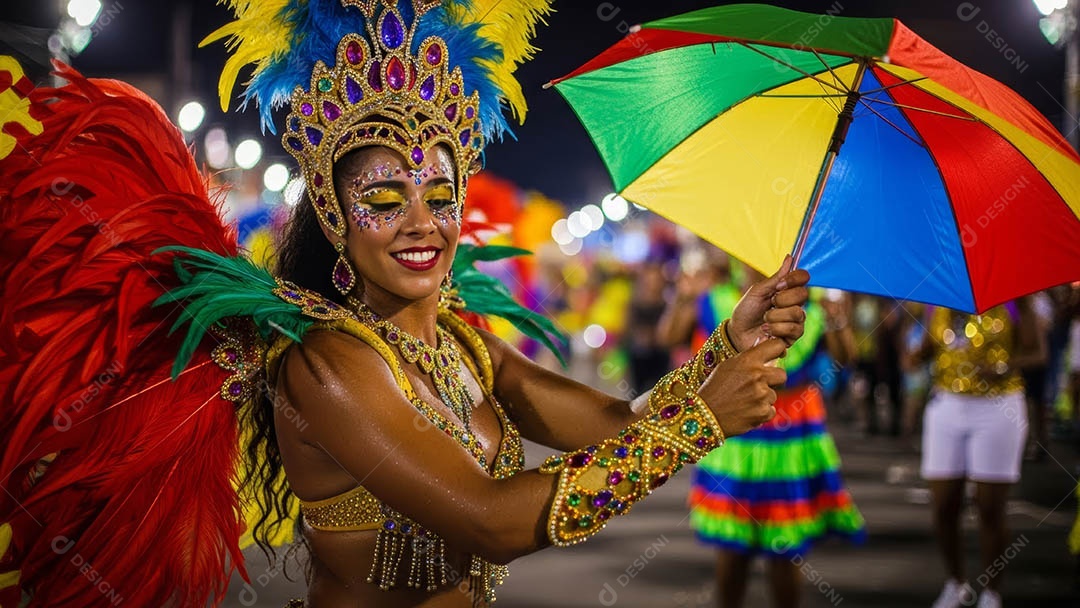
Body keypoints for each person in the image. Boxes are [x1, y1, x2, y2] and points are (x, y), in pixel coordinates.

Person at [0, 2, 813, 607]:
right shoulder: (328, 367)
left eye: (440, 195)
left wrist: (725, 355)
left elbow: (612, 426)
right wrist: (701, 419)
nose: (421, 223)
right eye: (384, 198)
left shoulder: (464, 345)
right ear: (332, 214)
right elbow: (490, 521)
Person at [664, 259, 865, 608]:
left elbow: (846, 357)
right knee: (732, 556)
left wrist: (838, 317)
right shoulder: (717, 299)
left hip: (792, 442)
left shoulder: (811, 304)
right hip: (737, 435)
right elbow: (668, 337)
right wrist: (683, 297)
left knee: (785, 555)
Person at [913, 303, 1041, 608]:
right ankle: (955, 584)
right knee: (944, 506)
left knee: (989, 508)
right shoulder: (937, 296)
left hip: (999, 407)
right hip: (946, 403)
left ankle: (991, 592)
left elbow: (1038, 352)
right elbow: (929, 346)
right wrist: (915, 356)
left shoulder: (1015, 297)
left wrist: (1002, 367)